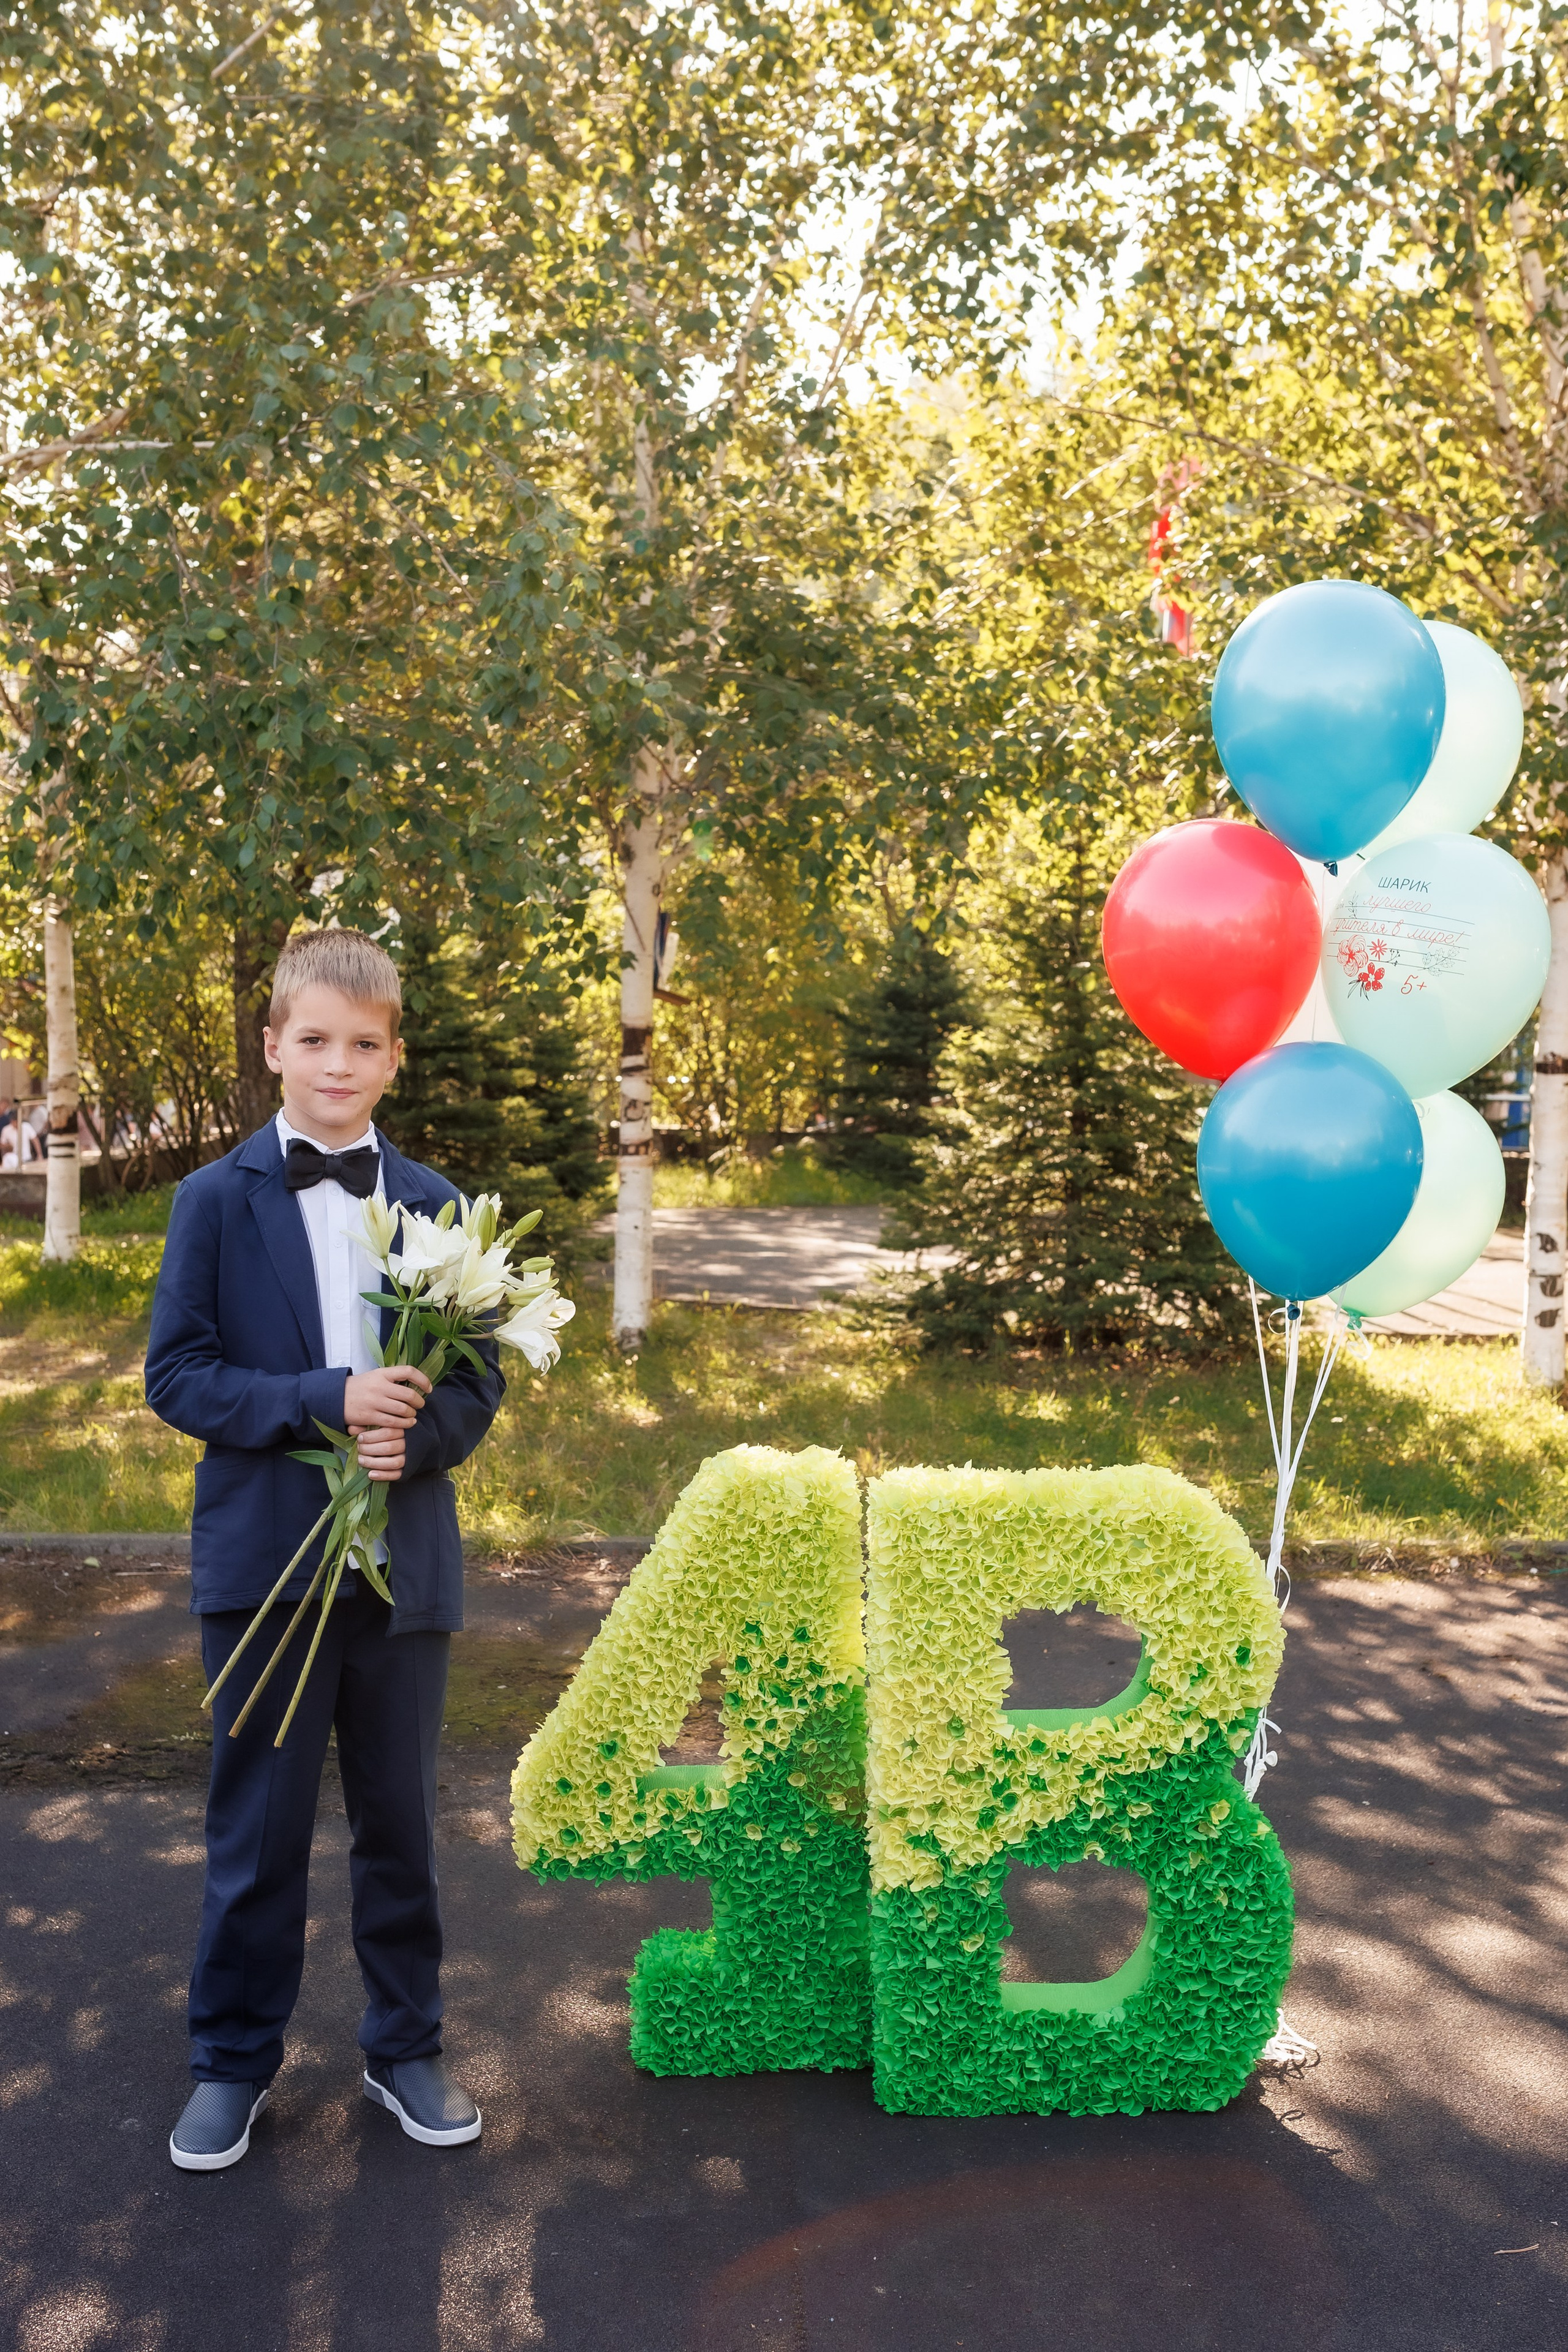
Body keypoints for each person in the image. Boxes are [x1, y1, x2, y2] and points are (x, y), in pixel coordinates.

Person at [145, 927, 505, 2172]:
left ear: (393, 1058)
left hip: (402, 1571)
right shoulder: (212, 1200)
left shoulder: (442, 1207)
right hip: (265, 1567)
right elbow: (179, 1377)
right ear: (273, 1049)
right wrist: (325, 1400)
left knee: (402, 1827)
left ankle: (405, 2047)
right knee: (256, 1833)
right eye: (314, 1041)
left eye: (362, 1044)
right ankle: (232, 2061)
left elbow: (476, 1382)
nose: (337, 1064)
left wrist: (424, 1438)